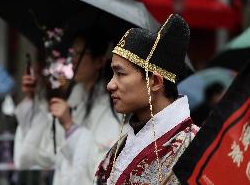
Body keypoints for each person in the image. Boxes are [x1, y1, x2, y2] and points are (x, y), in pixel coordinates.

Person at [94, 14, 199, 185]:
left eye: (120, 74)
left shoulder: (193, 147)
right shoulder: (124, 144)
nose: (110, 85)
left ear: (156, 82)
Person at [14, 28, 121, 185]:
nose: (73, 60)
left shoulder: (110, 107)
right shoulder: (73, 101)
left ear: (99, 61)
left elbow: (103, 167)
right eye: (72, 53)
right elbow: (44, 152)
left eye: (80, 53)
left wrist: (70, 127)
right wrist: (32, 97)